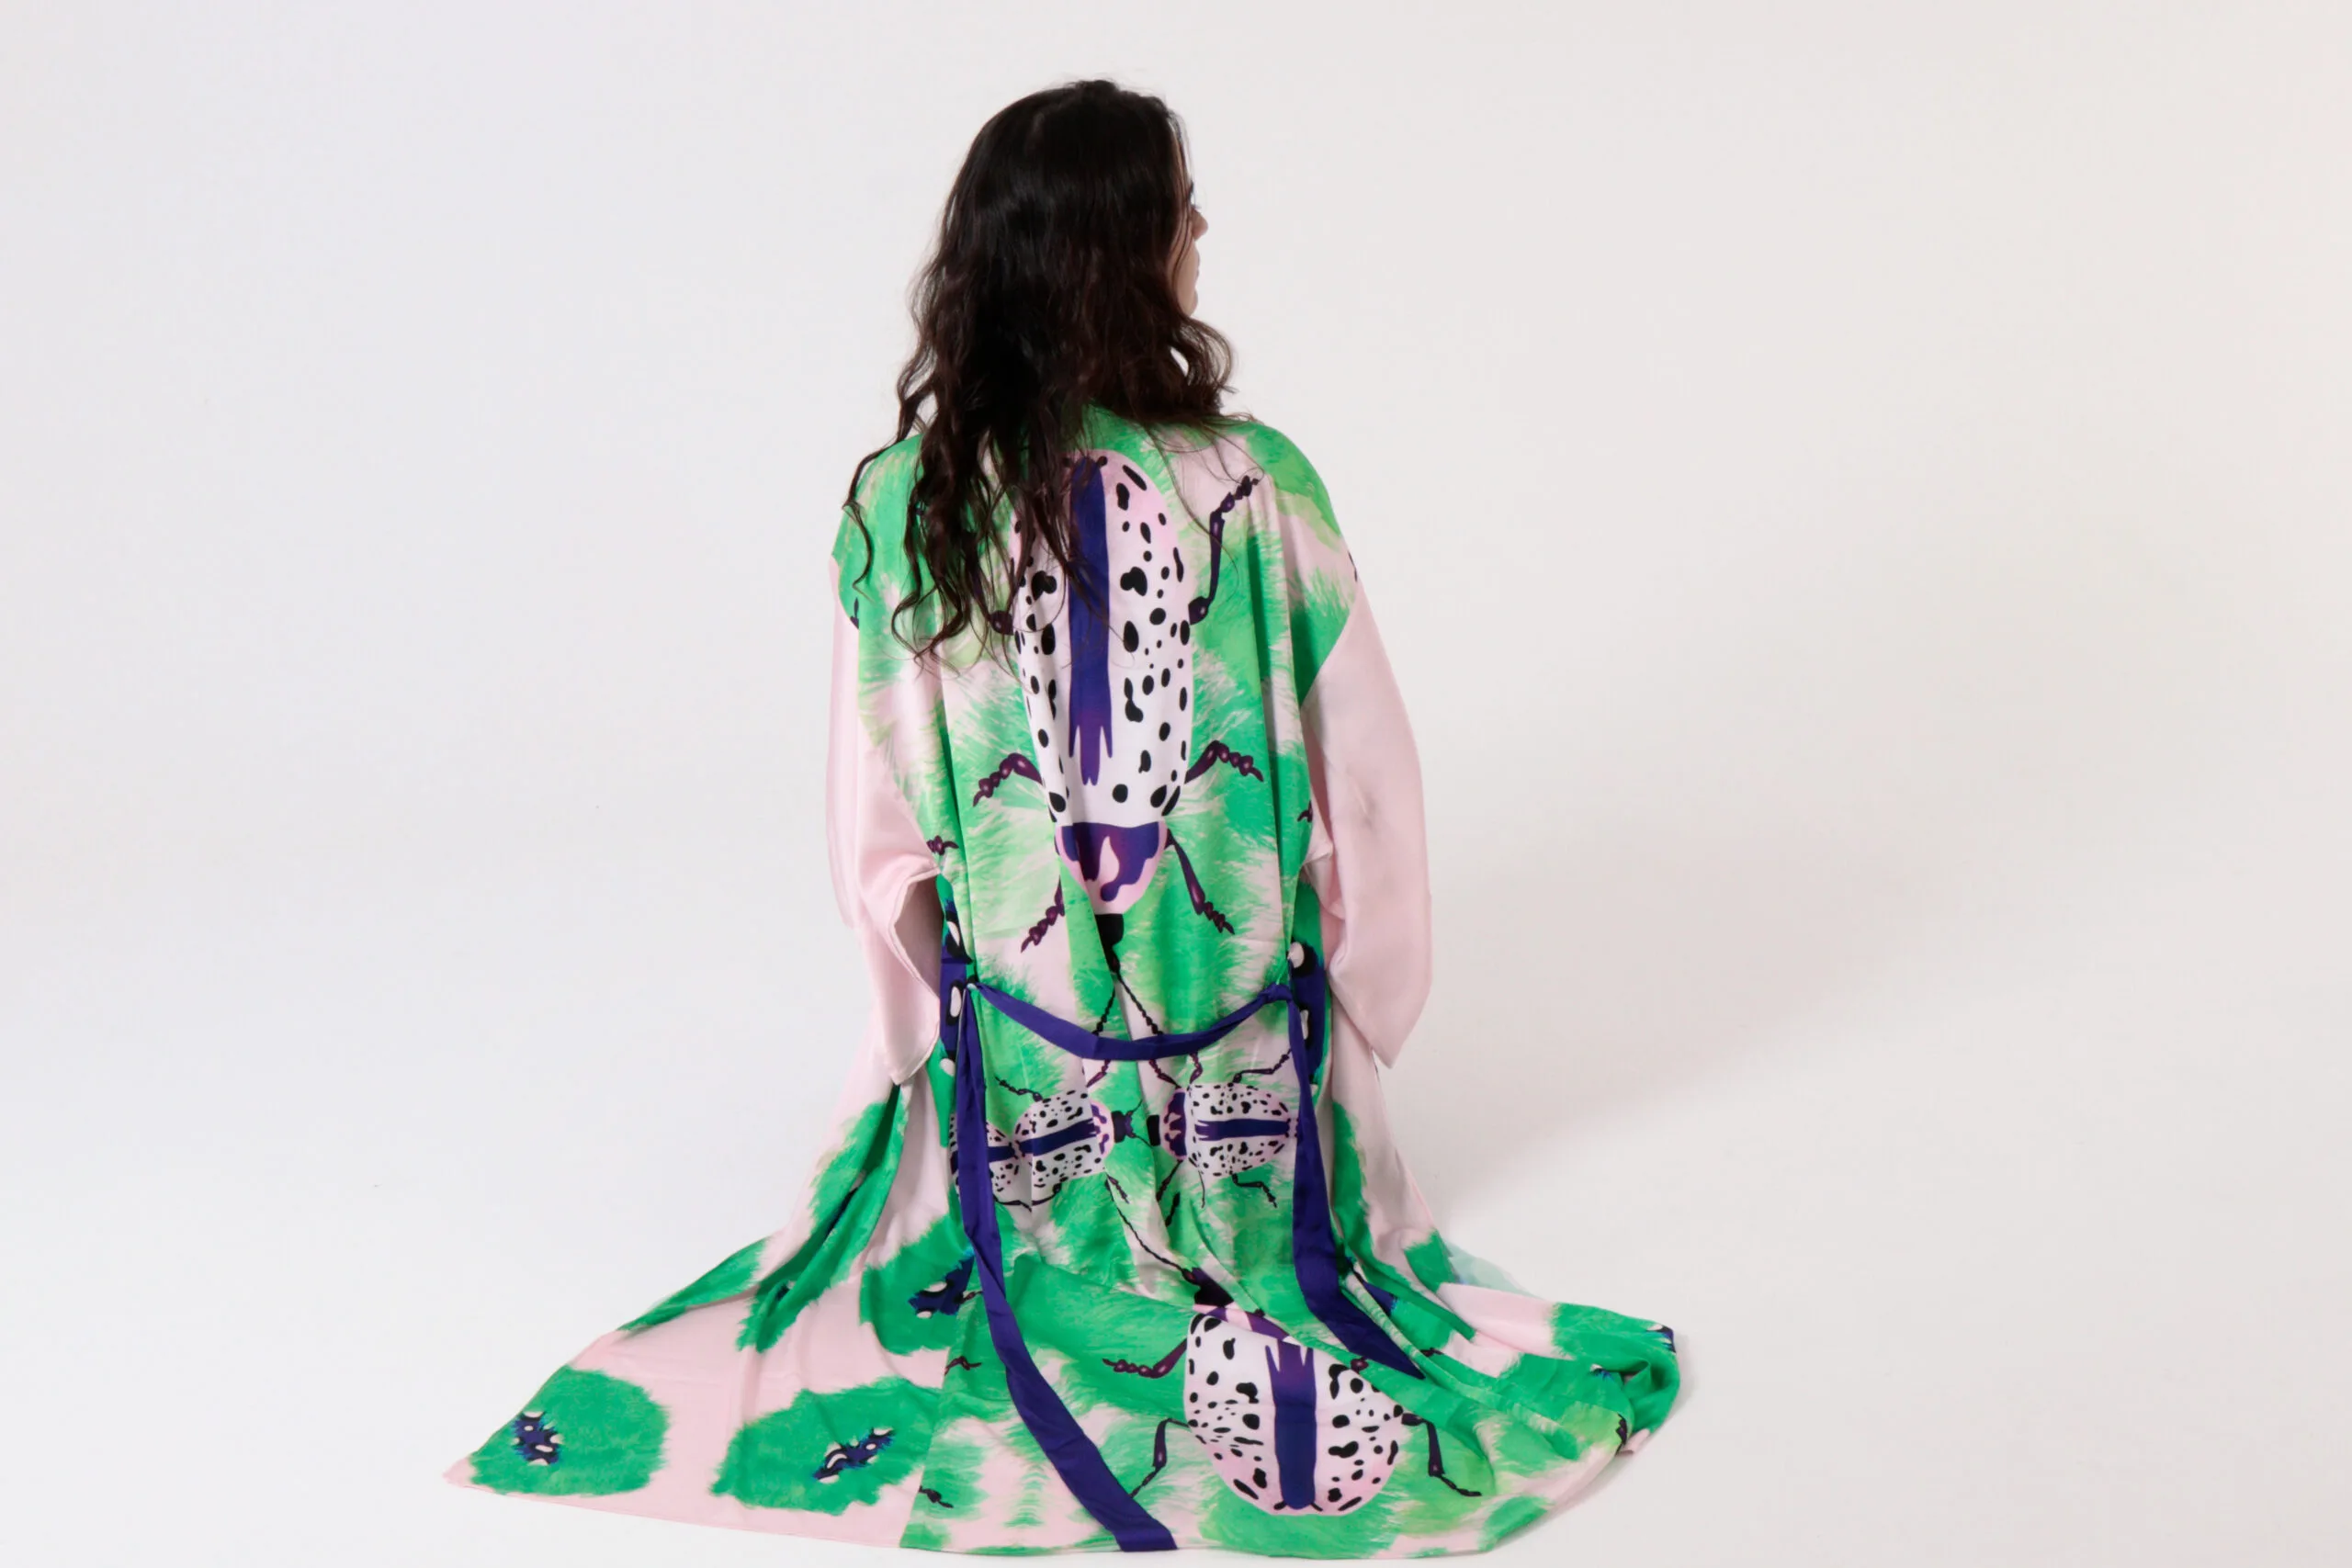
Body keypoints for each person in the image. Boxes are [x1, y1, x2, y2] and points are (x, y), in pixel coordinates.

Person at [447, 78, 1679, 1555]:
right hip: (1243, 1085)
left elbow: (875, 833)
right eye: (1180, 210)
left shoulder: (905, 507)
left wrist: (910, 1033)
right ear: (1122, 250)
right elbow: (1366, 784)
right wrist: (1366, 998)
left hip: (1023, 1091)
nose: (1202, 231)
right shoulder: (1260, 486)